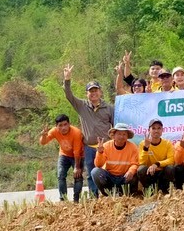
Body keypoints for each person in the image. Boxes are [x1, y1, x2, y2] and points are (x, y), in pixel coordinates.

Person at [62, 63, 115, 196]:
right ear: (87, 94)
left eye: (95, 90)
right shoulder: (81, 106)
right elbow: (68, 95)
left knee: (108, 171)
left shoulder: (109, 108)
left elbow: (115, 126)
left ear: (100, 92)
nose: (93, 93)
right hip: (89, 147)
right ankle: (94, 196)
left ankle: (108, 195)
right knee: (91, 173)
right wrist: (67, 80)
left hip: (106, 146)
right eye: (91, 91)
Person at [39, 112, 85, 202]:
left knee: (78, 176)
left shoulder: (76, 132)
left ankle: (76, 200)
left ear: (69, 124)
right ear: (56, 126)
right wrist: (43, 135)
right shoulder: (54, 131)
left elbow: (77, 152)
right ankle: (63, 199)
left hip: (78, 155)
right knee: (60, 175)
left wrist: (77, 167)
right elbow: (43, 142)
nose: (63, 128)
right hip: (64, 154)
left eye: (65, 124)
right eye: (60, 125)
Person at [91, 123, 140, 195]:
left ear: (127, 136)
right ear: (113, 135)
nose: (121, 136)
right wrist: (100, 152)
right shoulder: (106, 146)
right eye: (119, 134)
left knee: (135, 174)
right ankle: (108, 194)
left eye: (124, 134)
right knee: (95, 172)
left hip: (125, 177)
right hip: (110, 176)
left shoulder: (133, 147)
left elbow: (135, 164)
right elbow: (98, 165)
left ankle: (128, 195)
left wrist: (131, 171)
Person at [134, 118, 176, 194]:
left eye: (159, 128)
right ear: (149, 130)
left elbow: (171, 160)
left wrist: (157, 164)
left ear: (162, 130)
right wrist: (146, 148)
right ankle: (149, 191)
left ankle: (165, 191)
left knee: (170, 168)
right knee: (141, 169)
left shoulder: (167, 143)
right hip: (149, 173)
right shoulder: (142, 144)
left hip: (162, 173)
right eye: (153, 128)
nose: (156, 131)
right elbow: (142, 162)